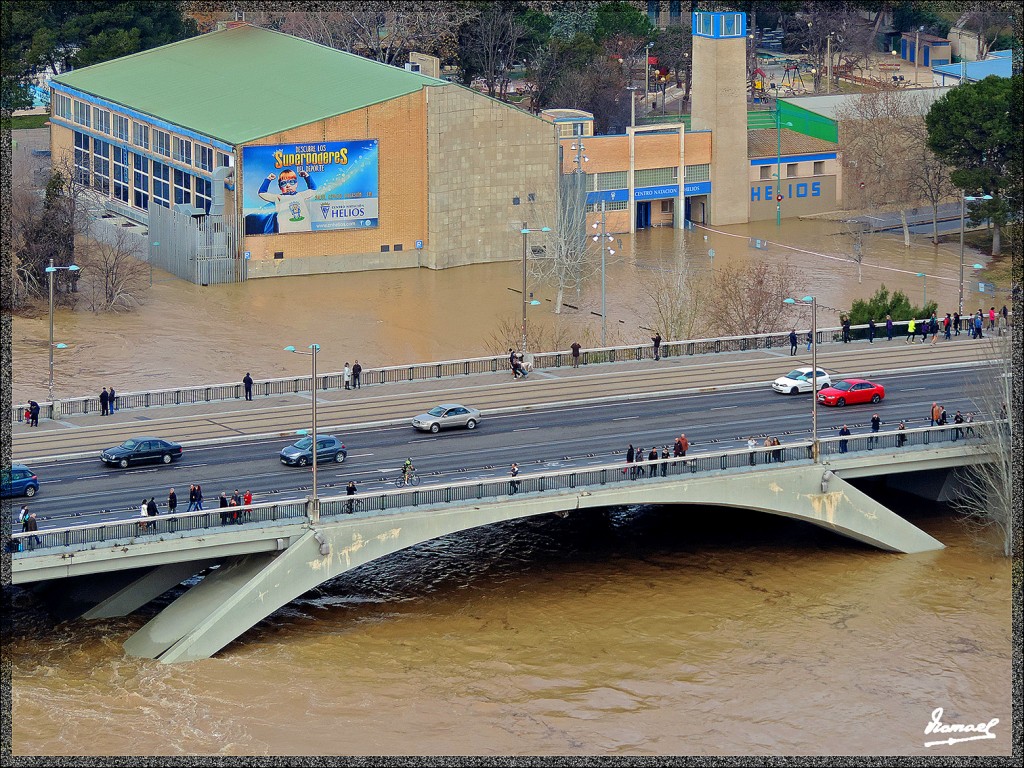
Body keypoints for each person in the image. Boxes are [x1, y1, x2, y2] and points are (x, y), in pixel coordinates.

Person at [257, 168, 318, 234]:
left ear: (296, 184)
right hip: (286, 232)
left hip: (304, 230)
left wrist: (306, 176)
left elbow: (313, 189)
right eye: (283, 183)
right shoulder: (278, 198)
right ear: (280, 187)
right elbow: (261, 193)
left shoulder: (300, 195)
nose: (288, 185)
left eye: (291, 182)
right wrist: (268, 179)